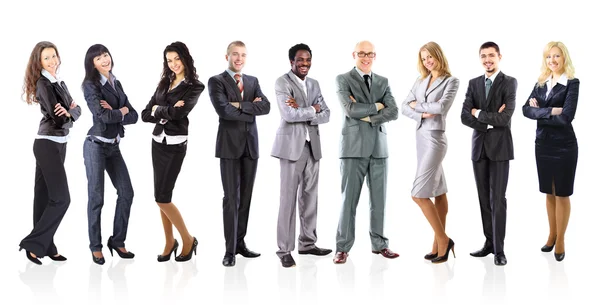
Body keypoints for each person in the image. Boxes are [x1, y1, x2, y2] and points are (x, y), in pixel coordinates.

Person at [333, 40, 399, 264]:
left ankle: (380, 244)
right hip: (353, 149)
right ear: (354, 54)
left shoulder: (383, 81)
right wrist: (378, 106)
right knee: (348, 201)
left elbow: (394, 111)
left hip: (379, 148)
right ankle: (342, 248)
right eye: (362, 53)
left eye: (370, 54)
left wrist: (369, 115)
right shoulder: (343, 79)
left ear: (375, 56)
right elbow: (349, 109)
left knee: (378, 201)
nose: (366, 57)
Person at [208, 41, 270, 267]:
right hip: (229, 147)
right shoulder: (217, 81)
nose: (239, 59)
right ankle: (229, 250)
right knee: (231, 200)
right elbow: (224, 110)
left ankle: (241, 243)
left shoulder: (252, 81)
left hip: (250, 147)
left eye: (243, 55)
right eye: (235, 54)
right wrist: (249, 107)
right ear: (226, 56)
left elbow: (267, 107)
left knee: (245, 199)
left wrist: (239, 105)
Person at [141, 41, 204, 262]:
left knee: (162, 197)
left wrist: (159, 109)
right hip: (158, 141)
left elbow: (180, 114)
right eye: (169, 60)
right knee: (161, 195)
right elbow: (145, 113)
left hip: (176, 144)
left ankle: (187, 239)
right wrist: (164, 110)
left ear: (185, 59)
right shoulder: (164, 82)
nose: (174, 64)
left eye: (177, 59)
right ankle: (169, 241)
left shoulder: (195, 86)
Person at [19, 41, 82, 265]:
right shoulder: (44, 84)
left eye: (54, 56)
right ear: (39, 62)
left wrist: (72, 111)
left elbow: (76, 108)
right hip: (47, 143)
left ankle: (46, 246)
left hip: (59, 143)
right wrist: (72, 111)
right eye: (47, 58)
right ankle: (33, 244)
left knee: (44, 197)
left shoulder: (59, 82)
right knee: (62, 199)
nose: (52, 60)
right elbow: (59, 118)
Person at [271, 43, 332, 268]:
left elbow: (327, 114)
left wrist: (306, 111)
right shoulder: (282, 82)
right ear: (291, 62)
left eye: (308, 60)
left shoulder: (314, 83)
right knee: (288, 199)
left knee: (310, 197)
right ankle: (284, 249)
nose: (304, 64)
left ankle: (307, 243)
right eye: (300, 60)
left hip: (312, 147)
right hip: (290, 147)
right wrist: (313, 109)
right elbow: (288, 114)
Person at [401, 41, 459, 263]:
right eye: (424, 58)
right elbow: (404, 105)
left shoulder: (451, 81)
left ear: (438, 56)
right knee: (439, 191)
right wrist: (421, 113)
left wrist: (418, 106)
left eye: (430, 57)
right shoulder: (420, 81)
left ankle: (444, 240)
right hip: (421, 138)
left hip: (435, 139)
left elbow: (442, 107)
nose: (427, 61)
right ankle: (437, 242)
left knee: (418, 194)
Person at [460, 41, 517, 266]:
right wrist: (488, 120)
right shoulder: (473, 83)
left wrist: (479, 113)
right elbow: (464, 116)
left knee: (498, 199)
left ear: (499, 56)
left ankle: (500, 251)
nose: (487, 60)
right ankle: (489, 243)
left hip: (500, 149)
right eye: (483, 56)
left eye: (491, 55)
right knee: (484, 199)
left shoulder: (509, 82)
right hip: (479, 149)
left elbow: (505, 118)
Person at [82, 44, 139, 265]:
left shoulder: (117, 83)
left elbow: (134, 115)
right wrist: (120, 111)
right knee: (97, 198)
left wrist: (120, 111)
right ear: (92, 64)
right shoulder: (90, 85)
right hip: (95, 145)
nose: (104, 60)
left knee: (127, 193)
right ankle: (95, 247)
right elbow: (102, 116)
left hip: (114, 147)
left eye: (105, 55)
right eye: (98, 58)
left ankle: (117, 240)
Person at [522, 41, 579, 262]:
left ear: (564, 58)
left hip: (564, 145)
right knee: (549, 191)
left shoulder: (572, 83)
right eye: (548, 57)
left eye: (556, 56)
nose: (552, 61)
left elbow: (566, 116)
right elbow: (526, 110)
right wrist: (551, 110)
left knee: (562, 192)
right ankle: (552, 234)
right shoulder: (541, 82)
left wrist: (541, 111)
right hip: (542, 144)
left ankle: (561, 239)